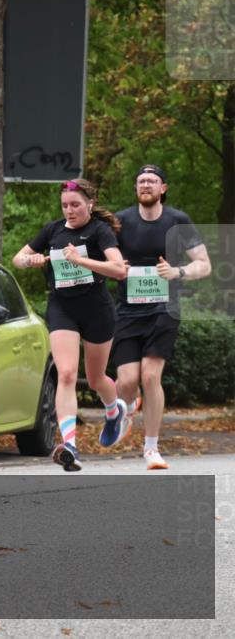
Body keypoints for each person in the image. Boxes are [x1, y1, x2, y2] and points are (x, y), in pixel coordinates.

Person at [13, 179, 128, 472]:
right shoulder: (53, 230)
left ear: (90, 204)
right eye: (65, 205)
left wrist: (81, 260)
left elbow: (119, 270)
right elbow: (18, 258)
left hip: (96, 308)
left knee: (95, 378)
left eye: (75, 205)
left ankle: (114, 410)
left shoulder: (99, 232)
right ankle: (70, 446)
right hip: (62, 306)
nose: (69, 210)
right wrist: (31, 260)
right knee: (65, 374)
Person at [112, 164, 211, 470]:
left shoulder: (177, 220)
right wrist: (117, 267)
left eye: (152, 181)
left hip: (164, 309)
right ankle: (127, 405)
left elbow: (204, 264)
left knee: (150, 376)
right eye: (141, 181)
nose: (146, 185)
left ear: (163, 188)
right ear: (135, 188)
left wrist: (177, 271)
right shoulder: (120, 221)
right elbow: (103, 257)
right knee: (126, 381)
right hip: (128, 310)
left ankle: (151, 448)